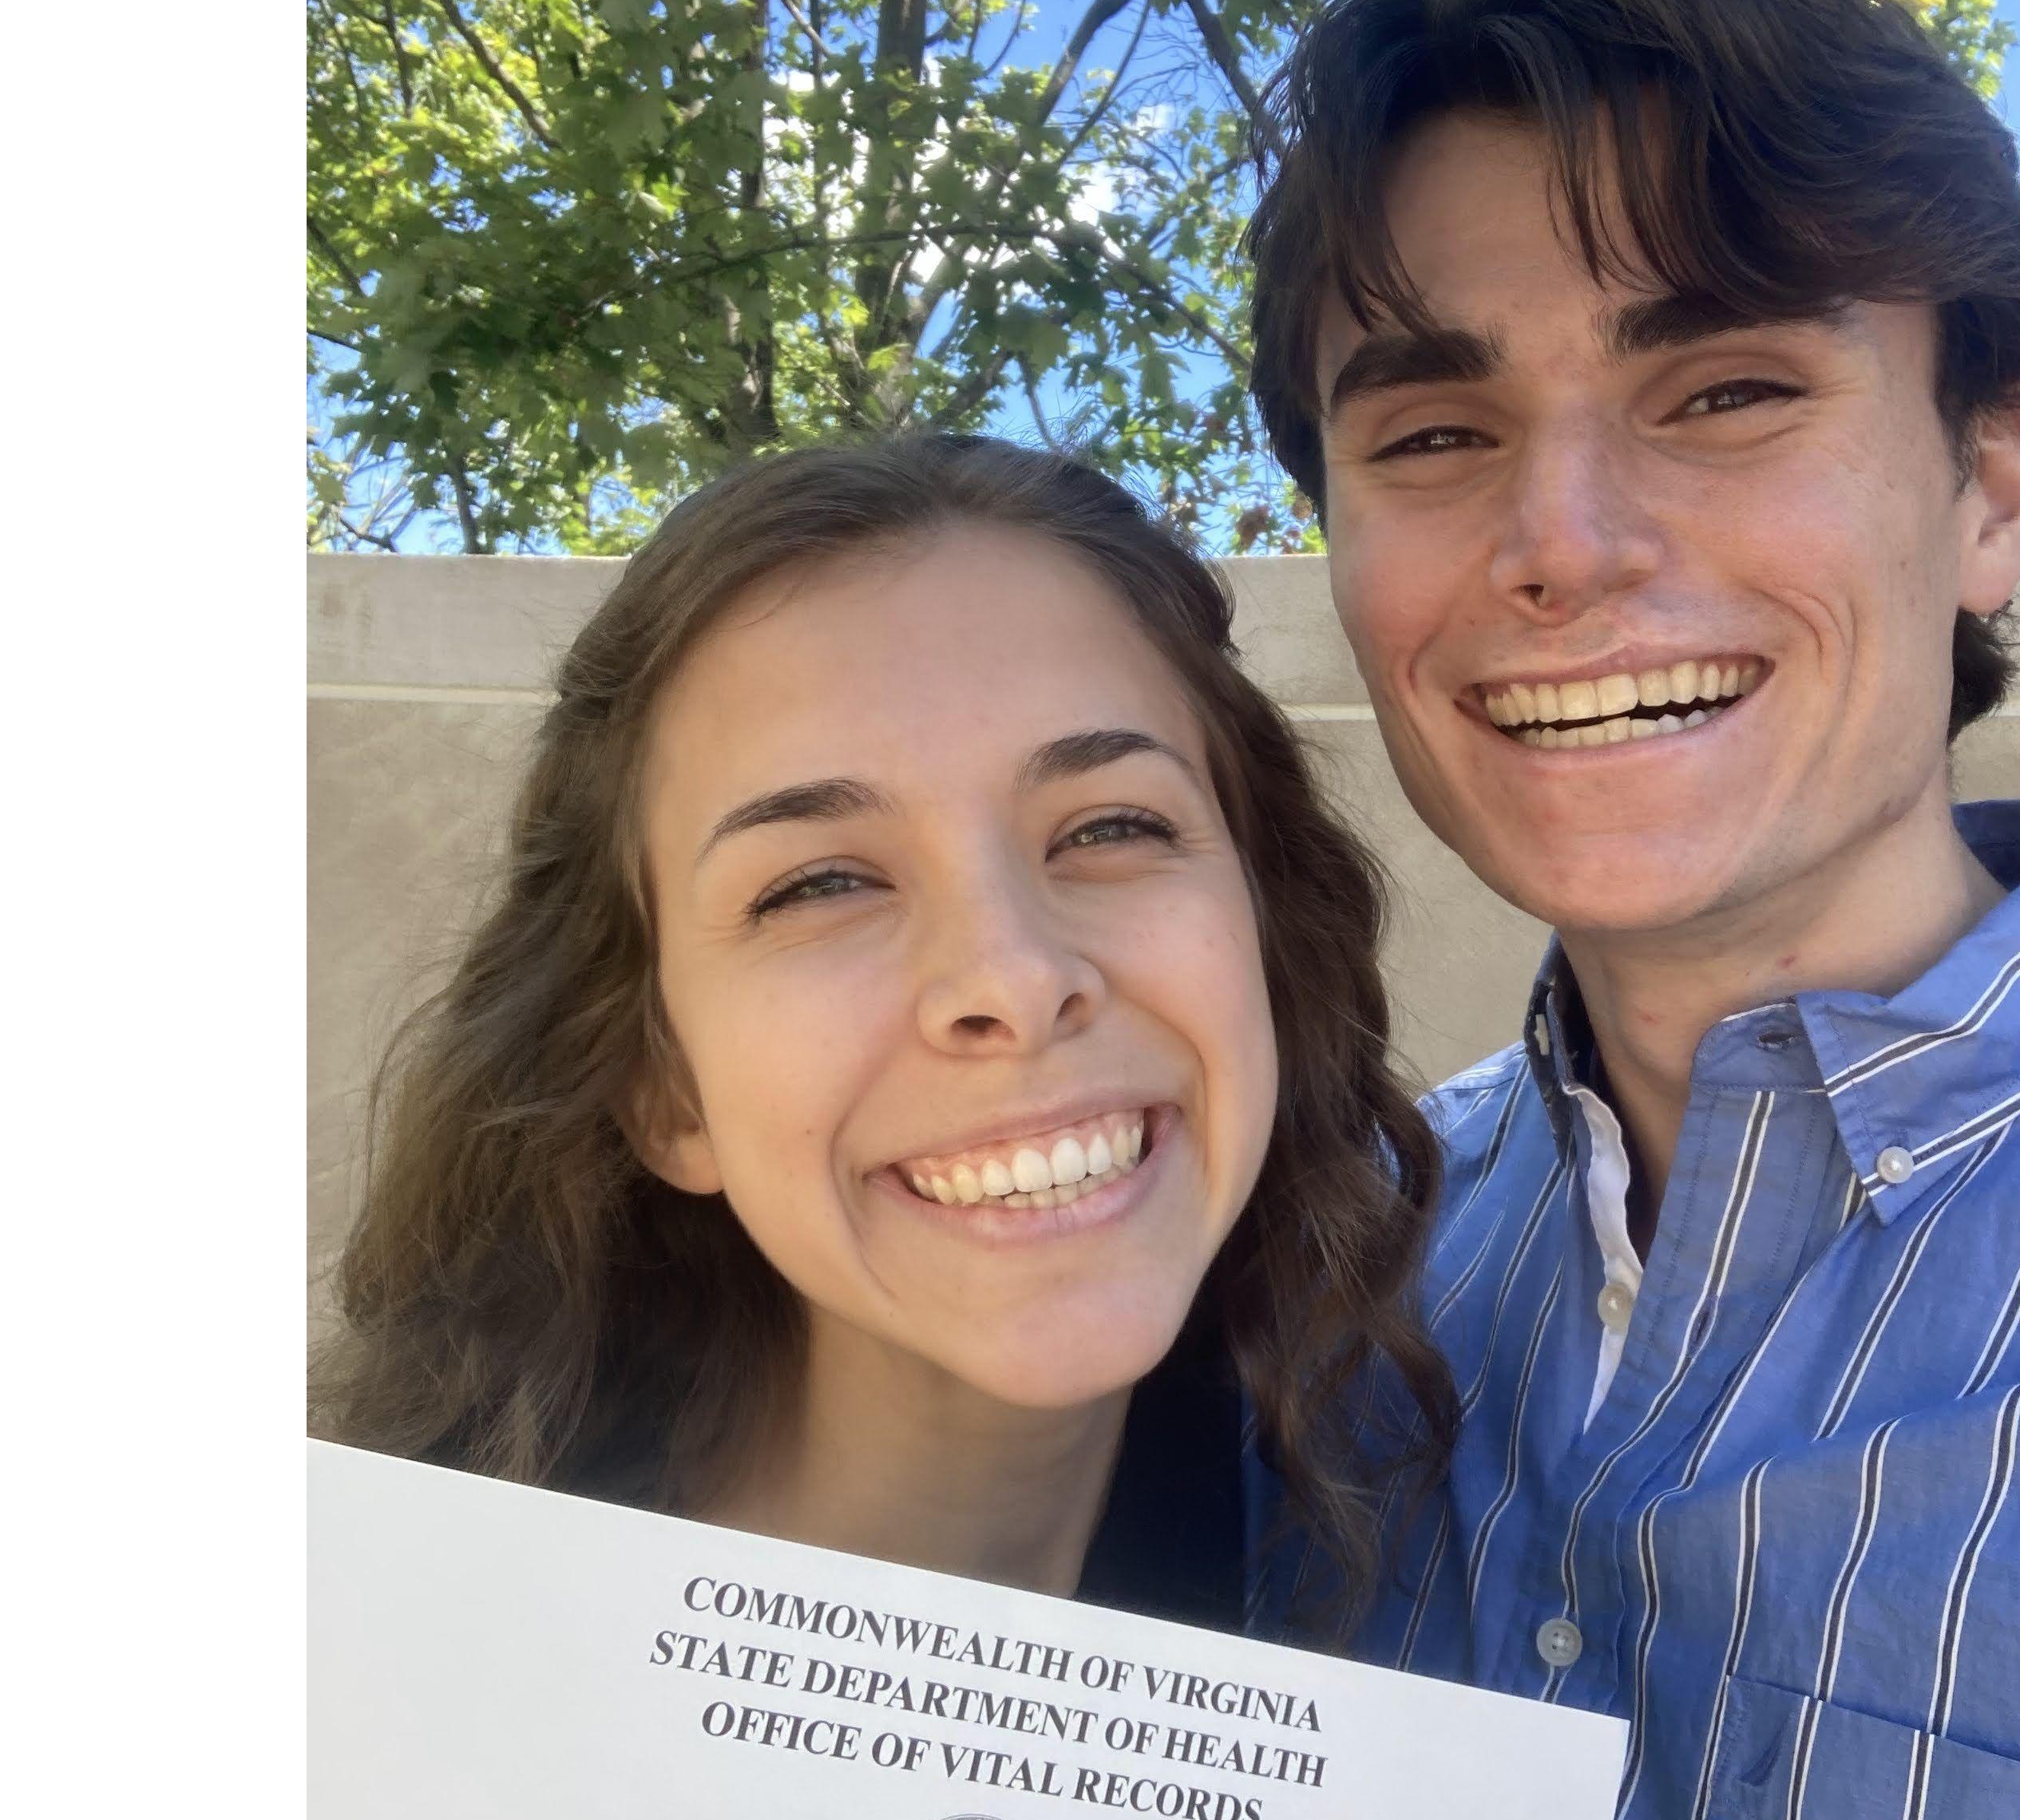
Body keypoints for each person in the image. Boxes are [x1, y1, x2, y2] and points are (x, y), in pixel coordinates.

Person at [1242, 0, 2020, 1820]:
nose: (1559, 540)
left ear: (1992, 484)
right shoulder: (1322, 1281)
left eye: (1725, 390)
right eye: (1434, 430)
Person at [317, 435, 1453, 1634]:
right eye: (820, 886)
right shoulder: (369, 1662)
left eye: (1110, 827)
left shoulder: (1418, 1581)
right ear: (663, 1087)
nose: (1014, 977)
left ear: (1267, 933)